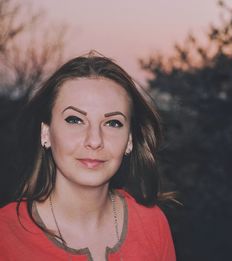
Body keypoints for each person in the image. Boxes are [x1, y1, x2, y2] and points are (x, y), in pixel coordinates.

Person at [0, 52, 176, 261]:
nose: (94, 140)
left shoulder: (152, 223)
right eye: (75, 120)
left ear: (129, 140)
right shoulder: (6, 235)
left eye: (113, 123)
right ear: (46, 133)